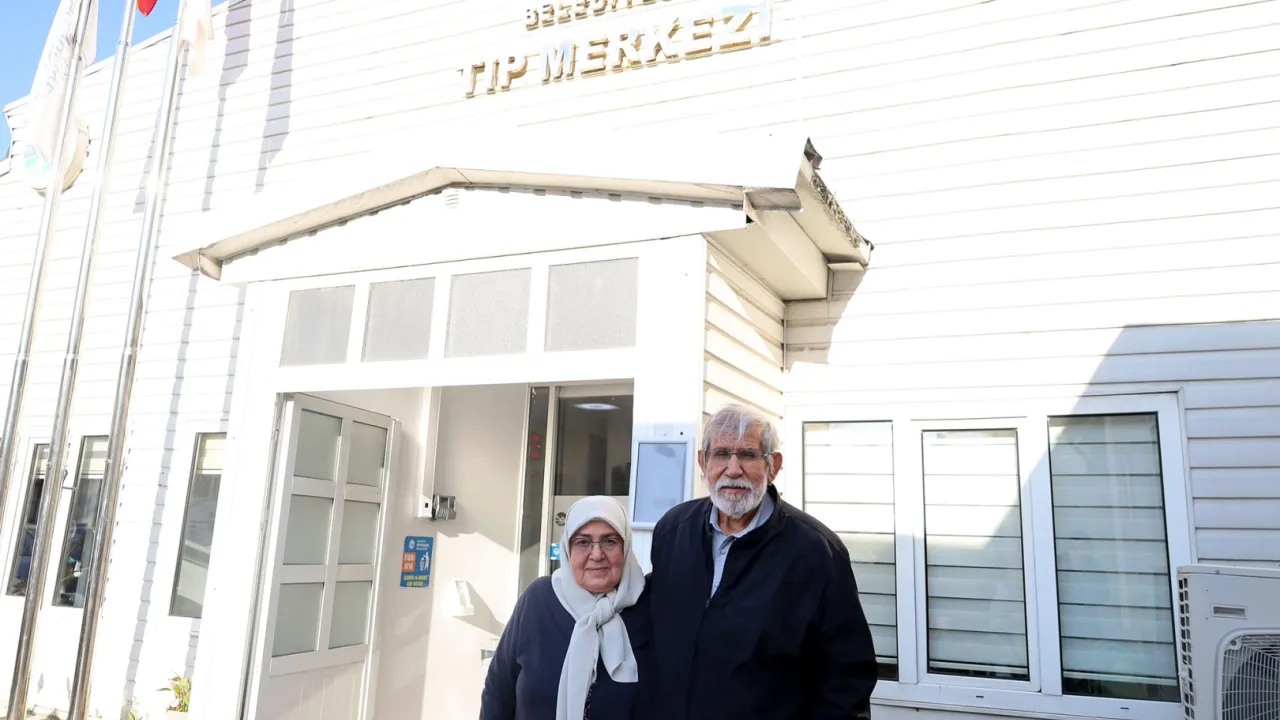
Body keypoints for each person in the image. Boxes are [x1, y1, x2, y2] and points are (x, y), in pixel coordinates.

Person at [648, 404, 879, 719]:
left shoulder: (816, 551)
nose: (732, 469)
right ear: (703, 462)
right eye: (721, 454)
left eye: (747, 454)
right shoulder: (673, 531)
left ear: (773, 466)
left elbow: (846, 679)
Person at [481, 496, 652, 720]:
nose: (597, 554)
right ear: (567, 549)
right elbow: (498, 692)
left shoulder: (647, 606)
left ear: (625, 548)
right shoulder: (538, 600)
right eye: (583, 542)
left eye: (609, 541)